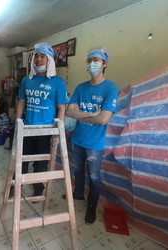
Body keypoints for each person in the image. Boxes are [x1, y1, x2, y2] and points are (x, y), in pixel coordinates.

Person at [63, 47, 119, 224]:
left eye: (96, 60)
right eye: (89, 60)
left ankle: (92, 205)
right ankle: (78, 194)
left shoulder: (110, 88)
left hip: (95, 143)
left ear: (105, 64)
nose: (92, 64)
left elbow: (103, 120)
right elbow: (69, 112)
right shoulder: (81, 87)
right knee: (78, 170)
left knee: (94, 176)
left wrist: (85, 114)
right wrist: (92, 114)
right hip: (78, 139)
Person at [14, 42, 68, 197]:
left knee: (40, 163)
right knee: (21, 159)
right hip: (27, 128)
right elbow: (21, 102)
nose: (39, 60)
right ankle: (16, 184)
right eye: (36, 56)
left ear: (49, 60)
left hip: (46, 130)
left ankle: (38, 187)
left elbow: (61, 108)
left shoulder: (58, 82)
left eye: (43, 56)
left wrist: (57, 133)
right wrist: (17, 123)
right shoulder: (26, 80)